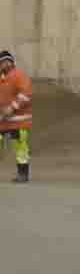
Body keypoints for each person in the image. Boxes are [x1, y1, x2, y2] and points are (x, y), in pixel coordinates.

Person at [0, 49, 31, 183]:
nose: (4, 64)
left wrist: (12, 107)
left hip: (18, 121)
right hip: (2, 121)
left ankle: (22, 174)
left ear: (12, 62)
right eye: (2, 62)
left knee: (20, 147)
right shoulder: (1, 78)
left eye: (7, 61)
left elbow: (26, 94)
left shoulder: (19, 75)